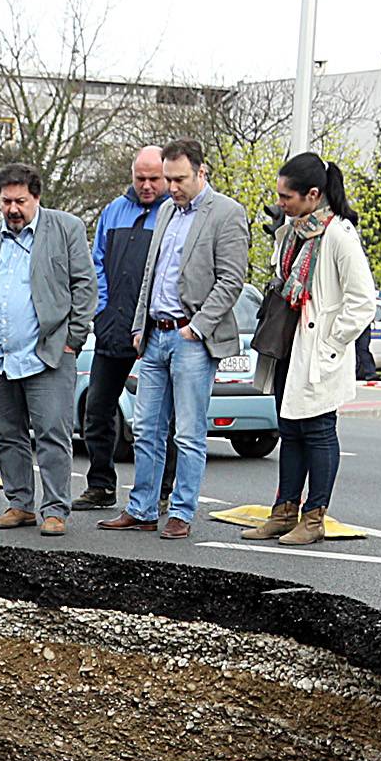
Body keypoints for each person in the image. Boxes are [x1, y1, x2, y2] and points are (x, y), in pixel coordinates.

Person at [101, 139, 249, 539]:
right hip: (154, 335)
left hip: (192, 339)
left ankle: (181, 510)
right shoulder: (166, 210)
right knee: (146, 428)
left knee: (188, 431)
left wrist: (197, 327)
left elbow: (232, 279)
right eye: (168, 178)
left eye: (179, 178)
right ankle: (142, 508)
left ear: (202, 173)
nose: (171, 186)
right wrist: (138, 325)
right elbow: (153, 272)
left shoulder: (227, 214)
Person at [242, 152, 378, 547]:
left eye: (287, 196)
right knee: (290, 429)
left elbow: (363, 300)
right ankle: (284, 511)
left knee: (318, 431)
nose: (280, 203)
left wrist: (332, 344)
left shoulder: (338, 235)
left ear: (313, 195)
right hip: (290, 347)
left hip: (318, 352)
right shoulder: (292, 233)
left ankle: (314, 516)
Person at [0, 161, 95, 537]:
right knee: (8, 433)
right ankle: (19, 503)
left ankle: (54, 509)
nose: (13, 209)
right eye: (6, 201)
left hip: (49, 354)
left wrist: (73, 340)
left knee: (53, 432)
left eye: (20, 201)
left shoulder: (66, 229)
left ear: (36, 197)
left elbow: (85, 287)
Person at [78, 146, 168, 510]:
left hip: (154, 330)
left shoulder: (172, 214)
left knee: (161, 417)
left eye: (154, 178)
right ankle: (101, 484)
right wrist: (100, 310)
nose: (146, 185)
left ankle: (162, 491)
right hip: (112, 327)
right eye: (140, 178)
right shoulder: (114, 211)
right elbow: (96, 262)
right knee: (97, 409)